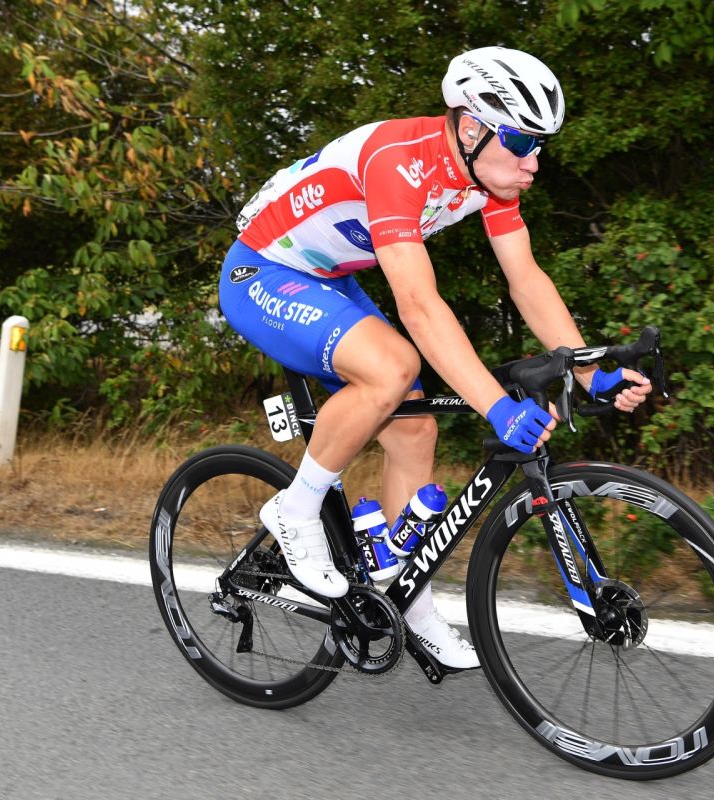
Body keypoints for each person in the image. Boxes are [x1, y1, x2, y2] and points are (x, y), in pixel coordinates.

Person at [218, 46, 652, 670]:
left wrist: (588, 370)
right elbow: (420, 307)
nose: (533, 161)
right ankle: (295, 508)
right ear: (471, 128)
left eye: (540, 145)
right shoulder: (399, 161)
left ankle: (409, 605)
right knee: (393, 367)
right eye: (520, 141)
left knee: (416, 428)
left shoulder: (490, 179)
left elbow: (526, 280)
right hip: (263, 271)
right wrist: (497, 408)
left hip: (330, 277)